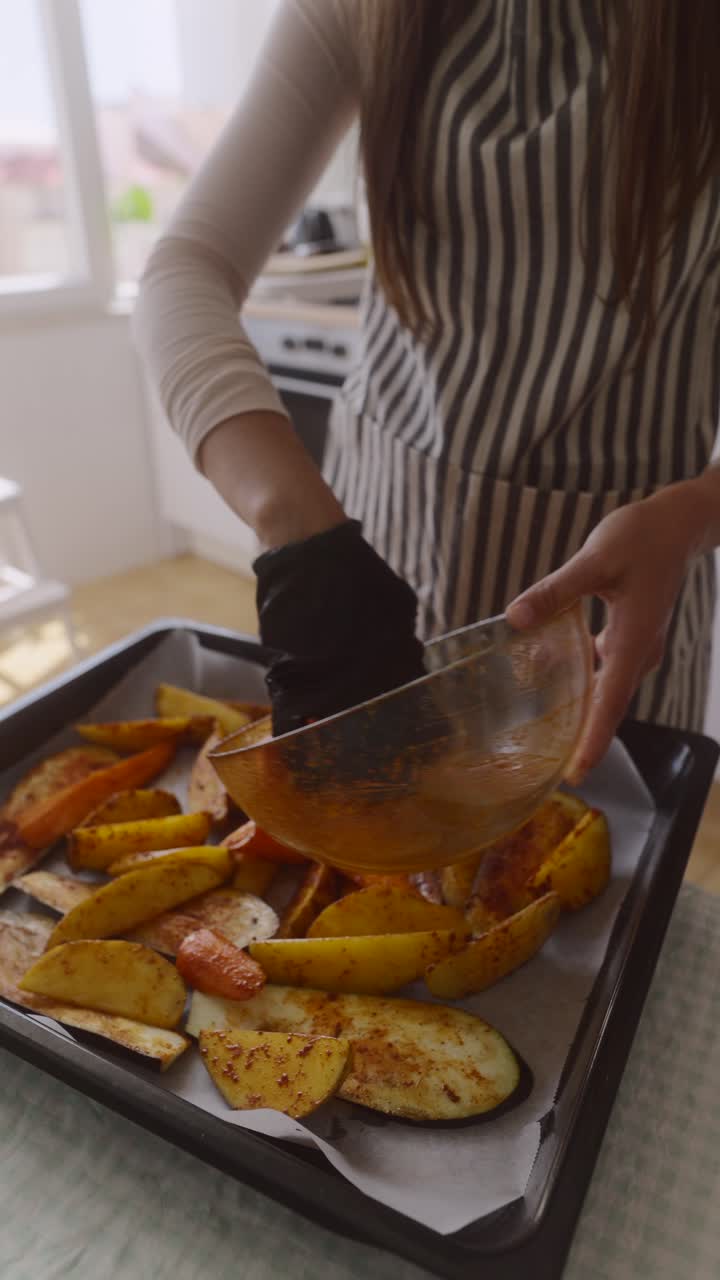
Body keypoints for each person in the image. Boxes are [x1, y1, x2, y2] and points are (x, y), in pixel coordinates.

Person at [134, 0, 720, 781]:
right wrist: (298, 529)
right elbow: (184, 270)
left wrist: (692, 516)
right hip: (378, 545)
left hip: (619, 607)